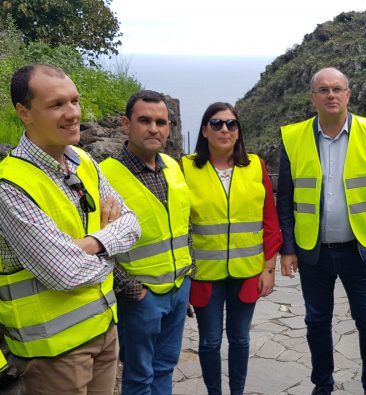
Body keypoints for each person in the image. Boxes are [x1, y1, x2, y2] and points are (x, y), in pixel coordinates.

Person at [0, 64, 140, 394]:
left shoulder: (81, 160)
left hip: (105, 329)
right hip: (53, 353)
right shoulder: (10, 185)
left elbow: (133, 225)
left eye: (74, 101)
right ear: (24, 113)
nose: (72, 113)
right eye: (56, 105)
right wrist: (111, 247)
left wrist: (89, 244)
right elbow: (65, 273)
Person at [277, 67, 366, 395]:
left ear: (348, 95)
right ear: (313, 98)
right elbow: (285, 196)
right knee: (316, 322)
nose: (331, 95)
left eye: (337, 89)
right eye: (323, 89)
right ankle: (323, 385)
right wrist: (288, 247)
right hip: (314, 252)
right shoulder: (294, 137)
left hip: (360, 249)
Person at [182, 102, 282, 395]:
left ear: (238, 132)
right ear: (204, 130)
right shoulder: (185, 167)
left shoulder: (255, 166)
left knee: (239, 339)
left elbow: (270, 221)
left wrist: (269, 268)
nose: (224, 129)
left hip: (247, 271)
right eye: (216, 123)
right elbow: (177, 224)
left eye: (231, 124)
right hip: (204, 274)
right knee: (210, 341)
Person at [99, 90, 192, 394]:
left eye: (161, 122)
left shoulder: (172, 166)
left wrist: (187, 274)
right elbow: (98, 244)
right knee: (139, 376)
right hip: (140, 298)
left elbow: (183, 224)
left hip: (178, 290)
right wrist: (131, 289)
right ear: (126, 124)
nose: (154, 128)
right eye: (145, 120)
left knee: (165, 368)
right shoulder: (105, 177)